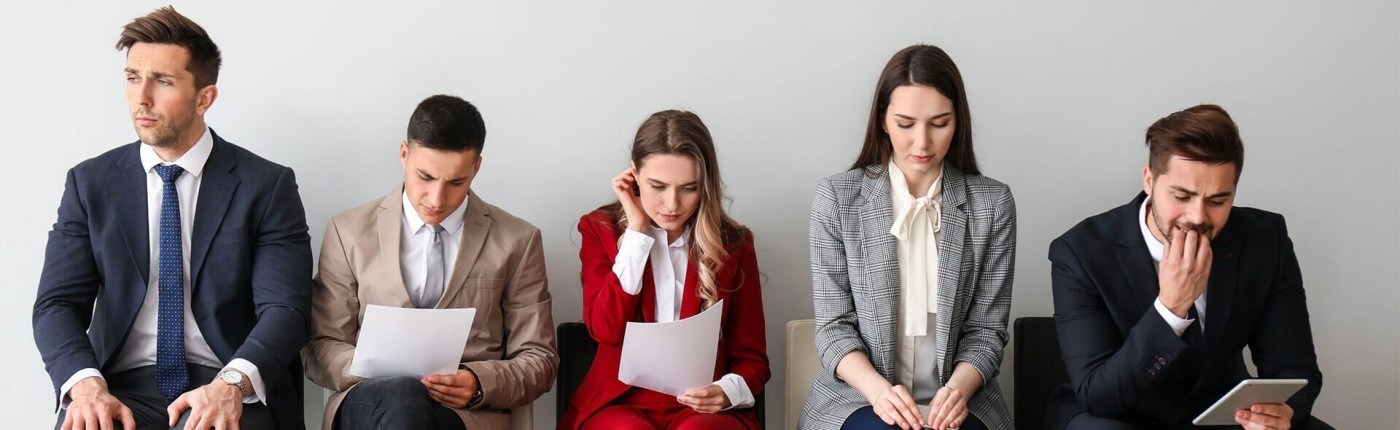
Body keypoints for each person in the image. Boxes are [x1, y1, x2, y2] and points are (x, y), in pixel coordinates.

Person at [33, 6, 312, 429]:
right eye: (132, 78)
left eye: (162, 81)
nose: (142, 97)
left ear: (205, 97)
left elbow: (285, 310)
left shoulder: (266, 186)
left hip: (225, 381)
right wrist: (85, 386)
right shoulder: (89, 184)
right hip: (116, 384)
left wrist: (231, 384)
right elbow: (57, 304)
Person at [1045, 104, 1328, 430]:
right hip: (1119, 416)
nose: (1197, 217)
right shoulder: (1080, 252)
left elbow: (1294, 368)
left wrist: (1281, 412)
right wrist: (1171, 307)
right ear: (1149, 180)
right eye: (1182, 196)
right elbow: (1100, 396)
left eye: (1218, 201)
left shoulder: (1265, 240)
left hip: (1222, 414)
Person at [303, 95, 557, 429]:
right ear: (404, 154)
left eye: (456, 182)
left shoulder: (518, 240)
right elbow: (319, 345)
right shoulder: (347, 232)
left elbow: (540, 359)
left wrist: (478, 382)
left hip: (463, 415)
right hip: (372, 403)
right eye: (425, 177)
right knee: (402, 397)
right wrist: (369, 366)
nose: (437, 200)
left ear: (476, 167)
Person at [800, 44, 1017, 430]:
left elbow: (987, 330)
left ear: (958, 121)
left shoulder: (993, 204)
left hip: (961, 397)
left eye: (939, 123)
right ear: (883, 120)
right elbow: (834, 327)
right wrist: (879, 392)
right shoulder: (837, 199)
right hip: (860, 397)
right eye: (905, 124)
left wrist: (955, 393)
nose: (922, 143)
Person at [559, 110, 769, 430]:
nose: (672, 204)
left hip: (701, 406)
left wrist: (728, 391)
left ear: (706, 185)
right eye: (657, 186)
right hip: (620, 402)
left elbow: (752, 356)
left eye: (688, 188)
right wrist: (637, 234)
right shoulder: (600, 230)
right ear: (634, 178)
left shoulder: (734, 244)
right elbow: (605, 329)